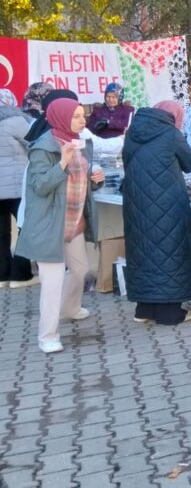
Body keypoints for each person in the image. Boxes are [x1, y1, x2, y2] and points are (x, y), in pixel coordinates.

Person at [15, 98, 104, 353]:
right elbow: (41, 186)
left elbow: (81, 180)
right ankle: (48, 336)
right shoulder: (43, 148)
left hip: (74, 221)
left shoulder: (81, 142)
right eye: (76, 117)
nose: (82, 121)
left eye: (82, 115)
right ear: (62, 118)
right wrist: (63, 163)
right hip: (49, 223)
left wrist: (95, 180)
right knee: (52, 282)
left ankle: (70, 308)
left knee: (80, 270)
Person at [121, 101, 191, 326]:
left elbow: (129, 163)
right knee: (169, 252)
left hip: (136, 202)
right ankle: (170, 311)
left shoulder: (132, 132)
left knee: (143, 253)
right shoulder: (170, 133)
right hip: (167, 202)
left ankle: (144, 308)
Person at [0, 90, 35, 289]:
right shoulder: (17, 121)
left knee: (1, 233)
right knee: (26, 228)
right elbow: (34, 144)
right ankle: (20, 276)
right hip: (16, 187)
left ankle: (2, 275)